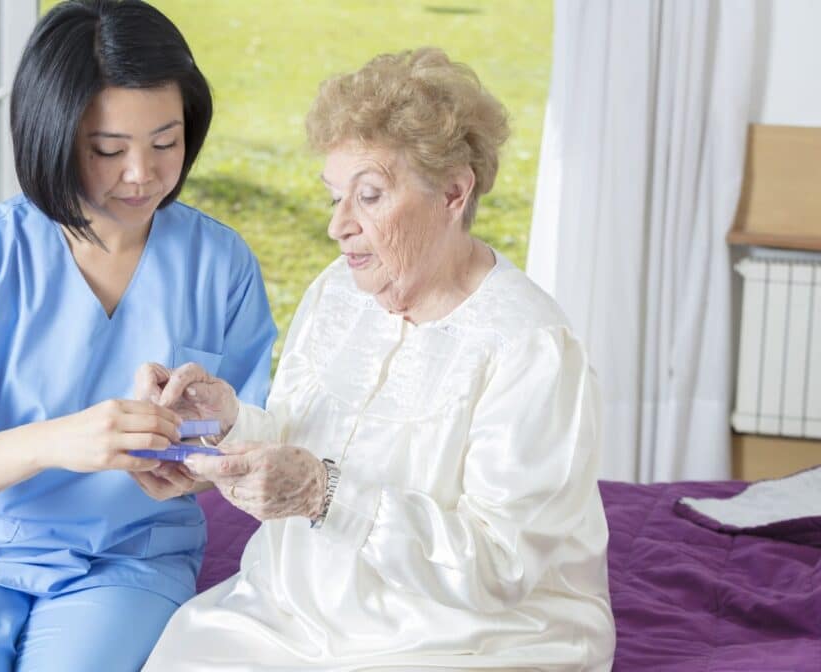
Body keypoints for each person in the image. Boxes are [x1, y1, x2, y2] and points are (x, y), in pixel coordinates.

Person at [139, 48, 616, 671]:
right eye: (335, 196)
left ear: (453, 192)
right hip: (295, 615)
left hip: (463, 639)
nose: (339, 226)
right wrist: (229, 424)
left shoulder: (530, 347)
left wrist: (325, 494)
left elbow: (503, 565)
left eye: (368, 196)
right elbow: (298, 440)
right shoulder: (338, 291)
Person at [0, 2, 276, 670]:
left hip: (126, 561)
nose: (141, 174)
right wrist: (61, 441)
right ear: (52, 136)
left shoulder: (219, 265)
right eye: (108, 150)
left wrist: (200, 456)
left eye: (165, 143)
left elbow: (257, 435)